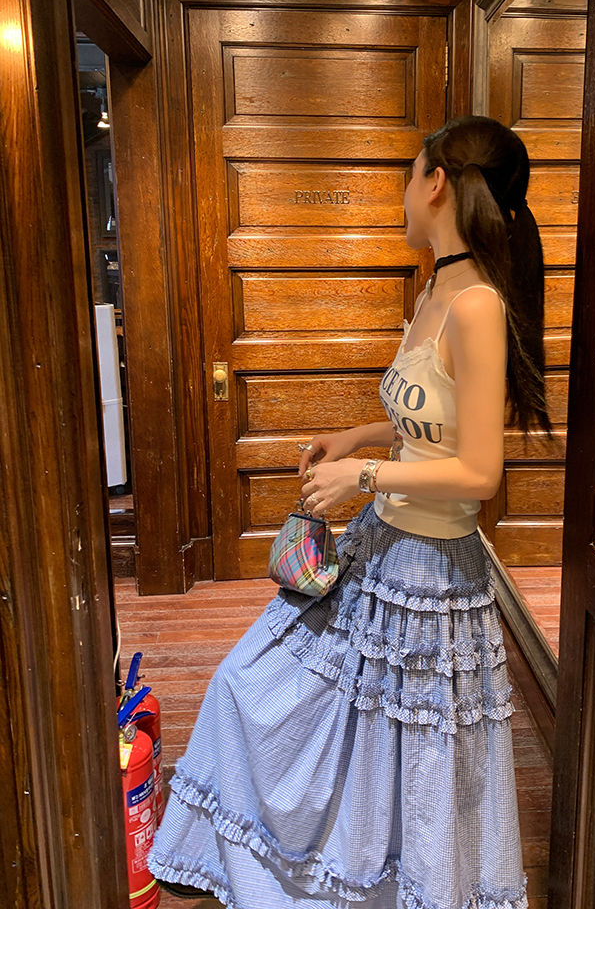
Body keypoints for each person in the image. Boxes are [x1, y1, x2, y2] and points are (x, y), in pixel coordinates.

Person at [148, 114, 552, 909]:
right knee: (271, 687)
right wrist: (359, 436)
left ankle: (374, 892)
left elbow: (479, 471)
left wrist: (361, 475)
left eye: (408, 175)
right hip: (384, 542)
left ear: (436, 183)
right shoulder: (434, 289)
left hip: (434, 574)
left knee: (407, 754)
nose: (402, 195)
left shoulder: (476, 305)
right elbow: (428, 425)